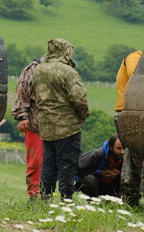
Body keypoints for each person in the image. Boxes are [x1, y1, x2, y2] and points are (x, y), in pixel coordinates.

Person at [33, 38, 90, 200]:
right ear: (65, 52)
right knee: (67, 164)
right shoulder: (67, 72)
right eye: (70, 52)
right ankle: (66, 200)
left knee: (48, 164)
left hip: (45, 126)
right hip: (67, 126)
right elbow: (79, 98)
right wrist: (84, 113)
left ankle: (45, 198)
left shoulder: (39, 70)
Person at [11, 54, 47, 200]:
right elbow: (23, 93)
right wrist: (22, 116)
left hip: (58, 126)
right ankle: (34, 195)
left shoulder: (64, 70)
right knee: (36, 161)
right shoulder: (33, 69)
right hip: (35, 124)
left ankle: (49, 195)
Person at [114, 50, 142, 205]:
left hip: (127, 110)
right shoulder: (135, 56)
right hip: (127, 110)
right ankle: (129, 196)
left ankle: (130, 197)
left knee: (131, 156)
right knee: (131, 155)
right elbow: (134, 74)